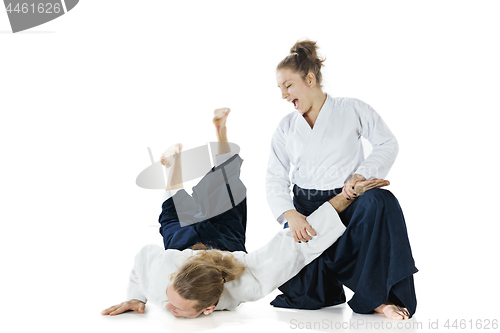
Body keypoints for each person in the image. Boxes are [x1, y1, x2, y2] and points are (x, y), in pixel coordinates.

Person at [101, 108, 390, 318]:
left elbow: (298, 248)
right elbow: (298, 246)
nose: (165, 305)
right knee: (227, 189)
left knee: (172, 215)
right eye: (172, 302)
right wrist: (135, 297)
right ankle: (212, 140)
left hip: (186, 242)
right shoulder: (181, 277)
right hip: (222, 243)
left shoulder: (181, 272)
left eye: (174, 306)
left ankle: (174, 162)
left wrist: (345, 196)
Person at [266, 39, 417, 320]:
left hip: (349, 204)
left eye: (288, 86)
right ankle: (325, 286)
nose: (284, 95)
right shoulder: (286, 127)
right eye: (280, 89)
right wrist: (290, 214)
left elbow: (387, 144)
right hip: (309, 214)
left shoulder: (351, 109)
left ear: (309, 79)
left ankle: (379, 298)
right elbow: (275, 174)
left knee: (380, 201)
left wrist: (361, 175)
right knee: (308, 293)